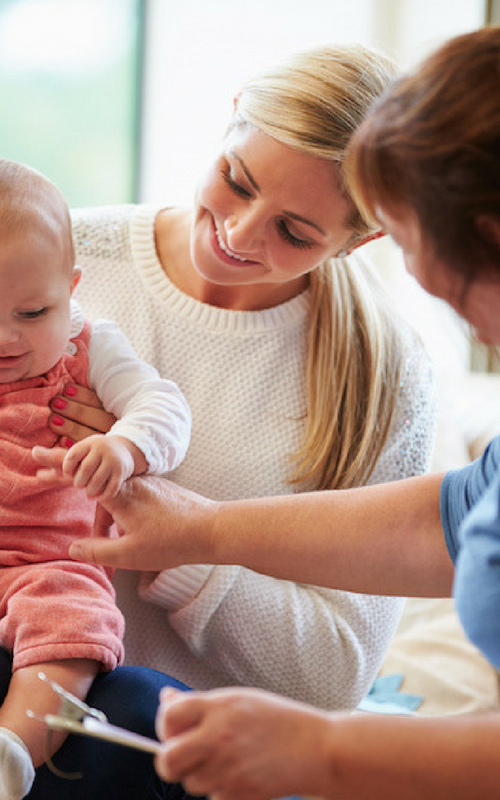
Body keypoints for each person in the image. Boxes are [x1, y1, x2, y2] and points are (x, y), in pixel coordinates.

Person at [62, 25, 500, 800]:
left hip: (193, 759)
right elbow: (457, 512)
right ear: (230, 118)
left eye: (296, 231)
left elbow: (336, 676)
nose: (236, 233)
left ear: (359, 240)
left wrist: (185, 551)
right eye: (235, 178)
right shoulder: (54, 262)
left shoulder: (380, 371)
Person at [0, 158, 192, 800]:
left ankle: (13, 753)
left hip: (51, 561)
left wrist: (127, 445)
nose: (6, 337)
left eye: (33, 312)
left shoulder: (91, 347)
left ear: (71, 287)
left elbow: (163, 406)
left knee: (70, 628)